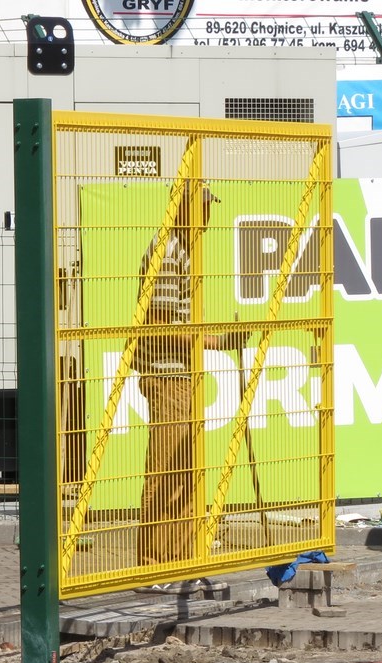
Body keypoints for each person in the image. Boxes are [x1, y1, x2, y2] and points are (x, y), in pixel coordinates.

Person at [135, 179, 246, 595]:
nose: (209, 216)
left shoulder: (185, 252)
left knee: (186, 471)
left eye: (210, 206)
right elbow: (162, 321)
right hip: (167, 375)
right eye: (203, 207)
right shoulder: (167, 250)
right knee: (166, 471)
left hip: (183, 375)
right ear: (183, 208)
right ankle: (152, 567)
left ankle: (182, 561)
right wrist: (216, 342)